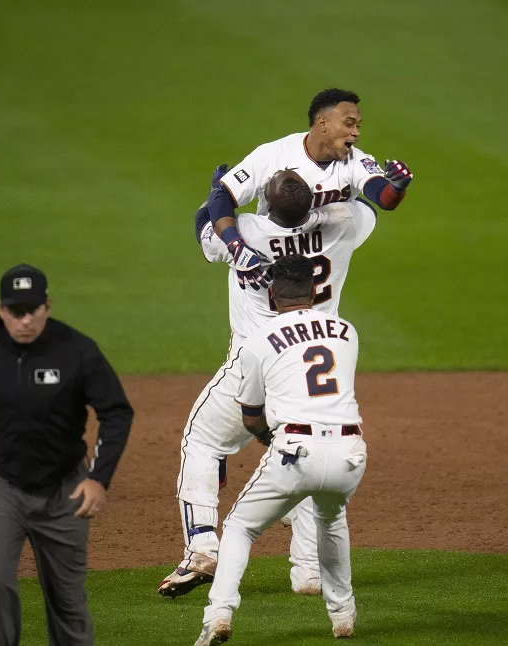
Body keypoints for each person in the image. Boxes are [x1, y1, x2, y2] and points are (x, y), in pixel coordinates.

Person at [158, 169, 375, 598]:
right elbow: (367, 203)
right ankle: (309, 572)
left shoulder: (246, 231)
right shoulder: (344, 225)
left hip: (256, 361)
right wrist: (326, 200)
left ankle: (202, 547)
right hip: (315, 367)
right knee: (309, 450)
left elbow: (206, 218)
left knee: (203, 440)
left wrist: (219, 190)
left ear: (267, 205)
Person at [0, 263, 134, 646]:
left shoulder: (76, 350)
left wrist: (98, 478)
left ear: (47, 305)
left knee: (68, 597)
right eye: (15, 311)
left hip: (65, 489)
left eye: (32, 310)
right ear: (0, 309)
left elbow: (116, 411)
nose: (24, 320)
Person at [194, 255, 367, 645]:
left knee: (240, 527)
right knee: (331, 520)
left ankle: (218, 615)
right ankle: (343, 615)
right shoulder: (346, 331)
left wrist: (270, 442)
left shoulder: (258, 341)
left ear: (272, 293)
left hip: (294, 449)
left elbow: (251, 415)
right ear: (315, 290)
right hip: (349, 453)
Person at [205, 88, 413, 290]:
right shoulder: (272, 155)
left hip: (321, 255)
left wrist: (396, 187)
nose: (356, 132)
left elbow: (384, 198)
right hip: (273, 256)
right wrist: (236, 246)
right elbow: (225, 194)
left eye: (358, 125)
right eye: (349, 124)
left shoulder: (356, 160)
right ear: (323, 123)